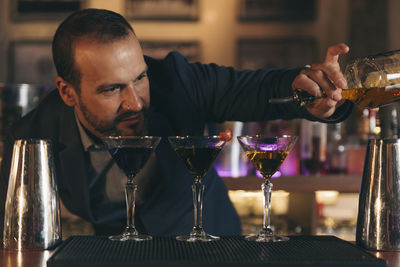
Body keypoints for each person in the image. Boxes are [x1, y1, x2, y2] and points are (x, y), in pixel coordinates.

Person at [0, 8, 353, 236]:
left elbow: (255, 89)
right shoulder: (32, 137)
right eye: (111, 89)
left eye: (140, 78)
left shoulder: (176, 81)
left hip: (212, 249)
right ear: (67, 92)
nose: (135, 102)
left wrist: (313, 94)